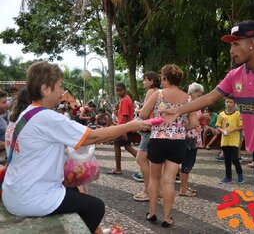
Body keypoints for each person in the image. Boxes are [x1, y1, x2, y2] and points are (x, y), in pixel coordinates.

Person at [163, 20, 254, 234]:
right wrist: (178, 110)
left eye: (236, 44)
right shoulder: (235, 75)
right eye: (231, 45)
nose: (232, 50)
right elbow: (210, 97)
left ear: (252, 44)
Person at [2, 61, 151, 234]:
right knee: (95, 207)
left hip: (14, 192)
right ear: (45, 89)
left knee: (73, 190)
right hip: (31, 198)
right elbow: (92, 136)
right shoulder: (47, 117)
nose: (62, 92)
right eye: (59, 86)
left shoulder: (26, 113)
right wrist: (130, 125)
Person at [139, 64, 198, 228]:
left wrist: (156, 122)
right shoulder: (187, 98)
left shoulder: (158, 94)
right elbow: (194, 123)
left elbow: (143, 114)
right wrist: (178, 127)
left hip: (158, 139)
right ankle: (167, 217)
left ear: (165, 79)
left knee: (154, 178)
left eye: (162, 78)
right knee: (169, 181)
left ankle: (151, 213)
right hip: (178, 141)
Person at [133, 71, 161, 201]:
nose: (143, 82)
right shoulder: (159, 92)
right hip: (156, 129)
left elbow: (145, 112)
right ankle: (157, 190)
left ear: (151, 81)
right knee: (151, 162)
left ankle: (148, 191)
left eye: (145, 80)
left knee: (141, 159)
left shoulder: (151, 92)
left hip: (148, 129)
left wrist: (138, 110)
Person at [179, 82, 204, 197]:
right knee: (187, 163)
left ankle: (184, 186)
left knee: (188, 162)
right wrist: (200, 117)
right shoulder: (189, 104)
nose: (200, 98)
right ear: (191, 93)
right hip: (189, 137)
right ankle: (183, 189)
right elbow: (187, 121)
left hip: (192, 137)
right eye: (198, 95)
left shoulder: (193, 104)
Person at [108, 83, 137, 175]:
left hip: (123, 127)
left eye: (120, 90)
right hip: (126, 127)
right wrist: (117, 111)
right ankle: (145, 161)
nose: (118, 92)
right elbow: (123, 114)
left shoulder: (124, 100)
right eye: (117, 90)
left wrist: (124, 131)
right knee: (128, 147)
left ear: (124, 89)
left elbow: (125, 117)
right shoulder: (126, 99)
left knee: (117, 146)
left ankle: (118, 168)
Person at [216, 97, 244, 184]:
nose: (228, 104)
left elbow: (241, 126)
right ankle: (228, 177)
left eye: (231, 102)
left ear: (234, 104)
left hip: (234, 140)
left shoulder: (238, 114)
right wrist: (222, 131)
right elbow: (218, 126)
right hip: (225, 140)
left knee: (234, 158)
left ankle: (240, 174)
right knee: (226, 159)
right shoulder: (221, 115)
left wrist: (232, 130)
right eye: (227, 102)